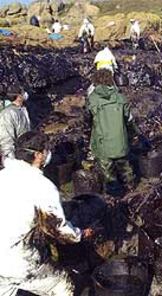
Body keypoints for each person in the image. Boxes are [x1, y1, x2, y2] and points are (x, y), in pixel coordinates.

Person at [0, 131, 93, 296]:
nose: (49, 153)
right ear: (37, 155)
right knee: (63, 286)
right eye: (46, 150)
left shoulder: (3, 175)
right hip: (16, 260)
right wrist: (80, 233)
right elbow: (58, 229)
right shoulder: (42, 186)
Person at [87, 70, 136, 194]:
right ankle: (131, 187)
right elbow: (128, 119)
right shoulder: (120, 97)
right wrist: (133, 133)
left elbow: (87, 118)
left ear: (95, 81)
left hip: (103, 142)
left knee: (107, 171)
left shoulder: (92, 99)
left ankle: (115, 194)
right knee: (125, 166)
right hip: (120, 140)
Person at [0, 86, 31, 163]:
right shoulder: (8, 114)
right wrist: (11, 161)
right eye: (23, 93)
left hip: (25, 154)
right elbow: (6, 140)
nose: (25, 94)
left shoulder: (22, 110)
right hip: (16, 157)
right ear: (19, 96)